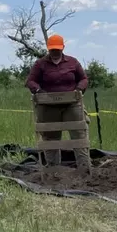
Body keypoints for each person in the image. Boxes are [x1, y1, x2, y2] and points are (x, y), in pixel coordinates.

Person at [25, 34, 91, 169]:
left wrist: (79, 89)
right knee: (50, 137)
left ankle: (84, 168)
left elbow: (84, 79)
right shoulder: (40, 64)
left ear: (62, 48)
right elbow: (30, 81)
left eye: (57, 49)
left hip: (71, 104)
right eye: (52, 49)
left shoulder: (73, 62)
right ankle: (53, 170)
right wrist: (38, 91)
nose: (55, 52)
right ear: (48, 49)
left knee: (79, 135)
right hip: (48, 106)